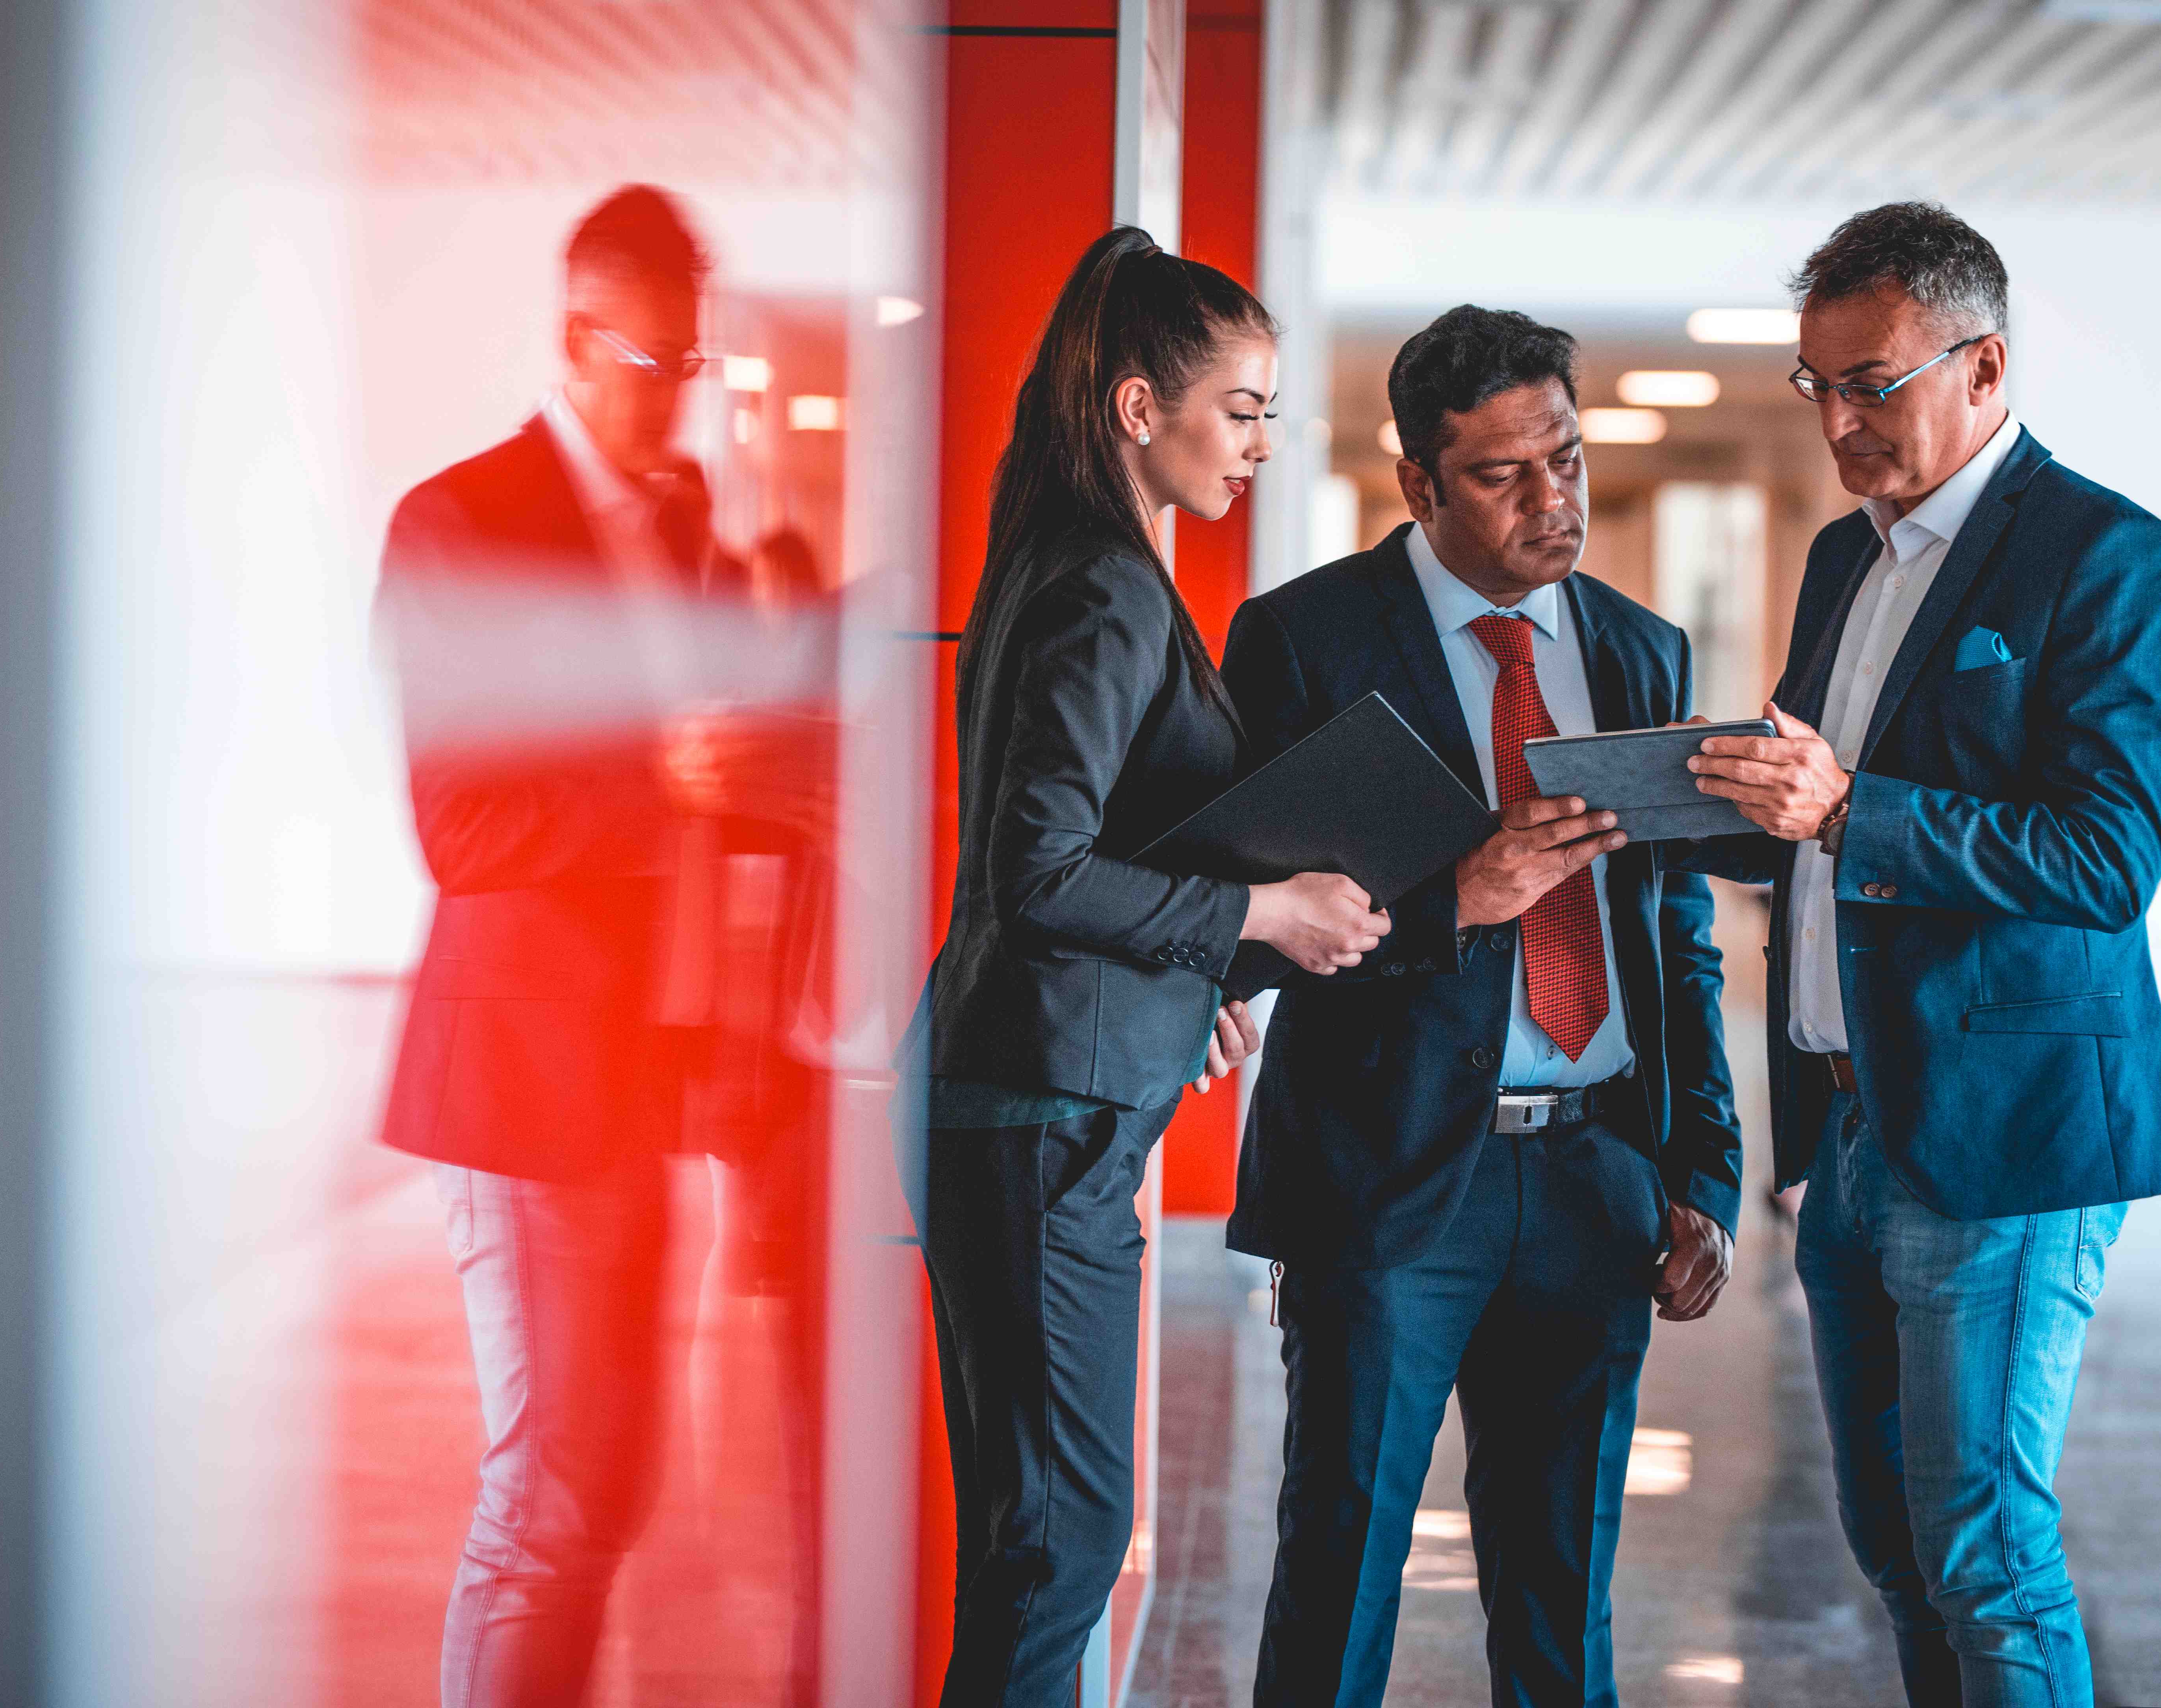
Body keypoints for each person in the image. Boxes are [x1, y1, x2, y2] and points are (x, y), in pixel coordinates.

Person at [1682, 201, 2161, 1706]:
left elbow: (2106, 862)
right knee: (1898, 1550)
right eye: (1818, 386)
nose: (1838, 422)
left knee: (1985, 1553)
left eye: (1872, 385)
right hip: (1853, 1130)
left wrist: (1850, 806)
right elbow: (1806, 835)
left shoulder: (2104, 555)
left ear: (1985, 367)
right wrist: (1659, 809)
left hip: (2007, 1137)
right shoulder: (1843, 560)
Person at [1221, 305, 1744, 1708]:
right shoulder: (1306, 642)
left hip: (1596, 1177)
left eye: (1565, 458)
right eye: (1504, 475)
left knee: (1564, 1604)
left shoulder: (1638, 649)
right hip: (1388, 1181)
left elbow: (1676, 932)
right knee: (1340, 1579)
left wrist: (1700, 1173)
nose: (1551, 500)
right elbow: (1243, 936)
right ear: (1420, 484)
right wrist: (1456, 901)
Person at [905, 227, 1385, 1708]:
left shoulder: (1074, 567)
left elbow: (1075, 865)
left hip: (1036, 1102)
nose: (1260, 442)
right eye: (1241, 409)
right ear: (1137, 408)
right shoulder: (1106, 588)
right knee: (1060, 1543)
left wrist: (1192, 982)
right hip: (1038, 1118)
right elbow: (1038, 872)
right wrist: (1259, 917)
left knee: (1038, 1540)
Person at [376, 184, 834, 1708]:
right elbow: (461, 828)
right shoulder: (459, 523)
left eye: (691, 364)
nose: (675, 399)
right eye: (650, 365)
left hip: (645, 1074)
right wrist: (669, 779)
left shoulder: (686, 519)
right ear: (575, 340)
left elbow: (700, 773)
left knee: (609, 1486)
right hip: (524, 1083)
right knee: (555, 1498)